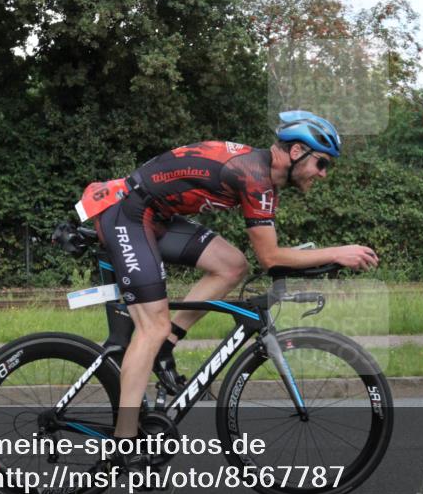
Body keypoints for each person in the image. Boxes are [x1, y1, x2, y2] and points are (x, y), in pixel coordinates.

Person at [78, 111, 379, 459]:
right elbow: (271, 258)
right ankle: (124, 445)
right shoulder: (253, 175)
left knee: (232, 266)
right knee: (151, 327)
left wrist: (324, 258)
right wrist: (338, 252)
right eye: (322, 163)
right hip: (127, 213)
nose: (323, 174)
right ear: (297, 152)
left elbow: (267, 255)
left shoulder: (265, 179)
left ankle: (166, 344)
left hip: (154, 215)